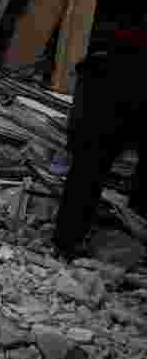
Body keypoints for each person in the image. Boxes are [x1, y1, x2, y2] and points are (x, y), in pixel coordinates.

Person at [53, 25, 147, 260]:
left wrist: (73, 138)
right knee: (86, 179)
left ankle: (66, 243)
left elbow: (80, 111)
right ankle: (134, 224)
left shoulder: (94, 65)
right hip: (112, 113)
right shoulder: (123, 65)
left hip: (94, 119)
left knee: (83, 179)